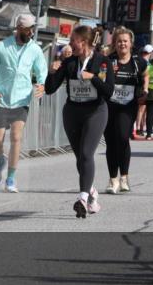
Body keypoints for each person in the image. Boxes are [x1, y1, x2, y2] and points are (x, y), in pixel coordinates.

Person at [45, 25, 114, 218]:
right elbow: (50, 89)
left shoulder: (102, 62)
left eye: (73, 40)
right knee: (80, 158)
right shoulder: (69, 62)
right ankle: (92, 192)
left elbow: (109, 91)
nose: (70, 44)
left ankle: (82, 198)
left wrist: (92, 78)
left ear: (83, 42)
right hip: (73, 112)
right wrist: (52, 70)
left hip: (95, 111)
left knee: (86, 153)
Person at [0, 13, 48, 193]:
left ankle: (10, 179)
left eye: (32, 29)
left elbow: (41, 70)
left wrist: (41, 84)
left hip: (22, 99)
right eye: (28, 30)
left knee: (16, 138)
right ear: (19, 28)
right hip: (2, 98)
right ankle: (0, 161)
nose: (31, 33)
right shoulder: (2, 47)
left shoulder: (35, 49)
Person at [104, 28, 148, 194]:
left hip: (128, 106)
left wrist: (145, 89)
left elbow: (145, 74)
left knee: (122, 138)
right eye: (119, 41)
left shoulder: (138, 62)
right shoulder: (108, 61)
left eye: (125, 41)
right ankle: (113, 179)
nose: (122, 43)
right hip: (109, 105)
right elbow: (101, 78)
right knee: (110, 142)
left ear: (131, 43)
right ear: (115, 43)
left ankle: (124, 177)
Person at [133, 44, 153, 139]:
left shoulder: (143, 61)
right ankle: (138, 129)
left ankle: (141, 128)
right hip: (142, 88)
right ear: (150, 53)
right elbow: (146, 76)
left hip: (143, 87)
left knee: (143, 110)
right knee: (141, 110)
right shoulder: (145, 63)